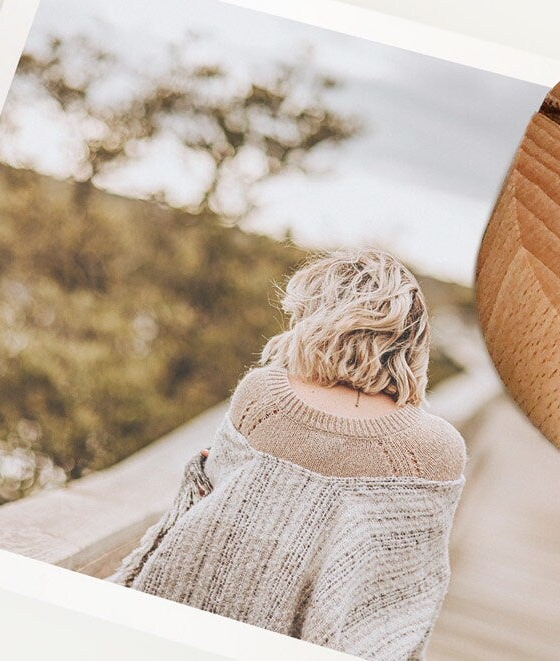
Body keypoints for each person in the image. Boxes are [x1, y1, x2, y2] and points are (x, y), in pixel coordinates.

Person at [112, 249, 466, 660]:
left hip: (191, 632)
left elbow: (204, 504)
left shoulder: (263, 397)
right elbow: (407, 598)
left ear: (315, 319)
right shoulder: (435, 450)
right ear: (412, 340)